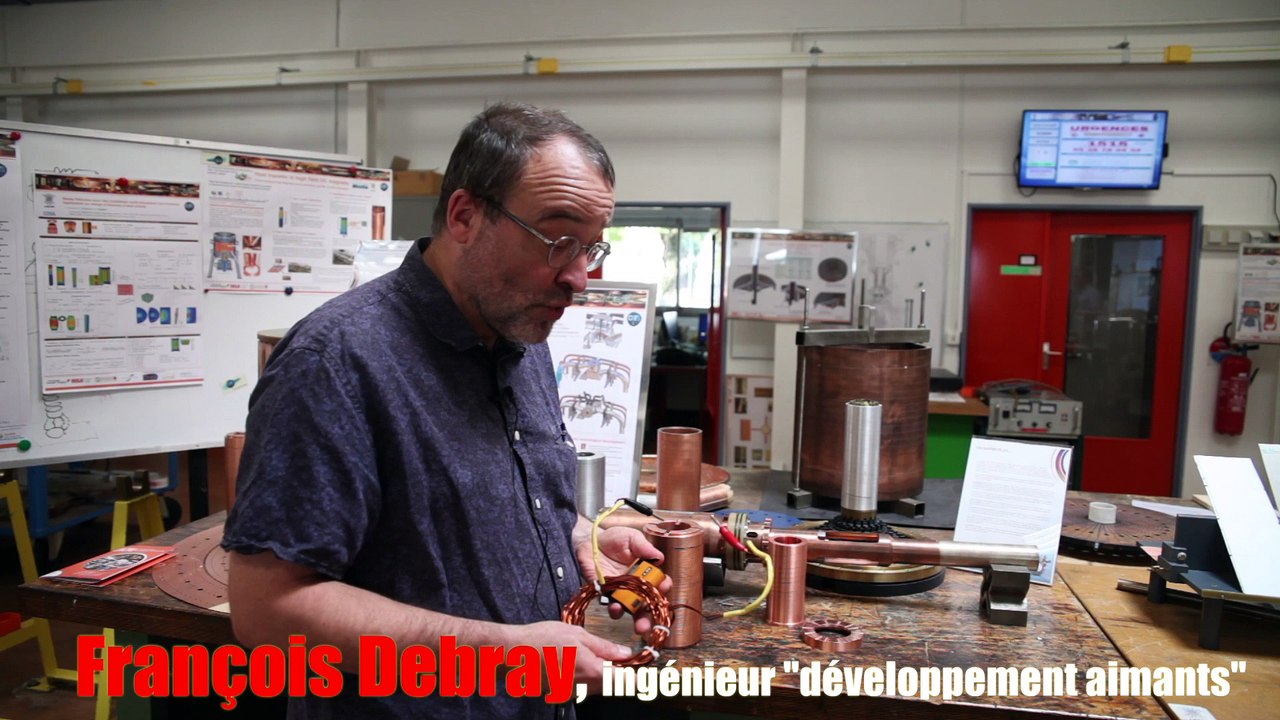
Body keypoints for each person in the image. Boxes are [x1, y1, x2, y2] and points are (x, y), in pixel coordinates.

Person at [222, 102, 669, 719]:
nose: (579, 278)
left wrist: (580, 541)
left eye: (592, 248)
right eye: (560, 240)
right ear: (465, 216)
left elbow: (469, 515)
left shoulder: (520, 337)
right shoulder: (337, 362)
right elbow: (268, 607)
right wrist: (508, 654)